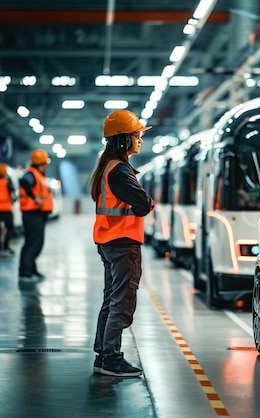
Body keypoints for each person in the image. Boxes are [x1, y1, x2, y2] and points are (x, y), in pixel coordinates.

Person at [88, 110, 155, 377]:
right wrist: (146, 205)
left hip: (109, 240)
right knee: (121, 301)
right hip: (122, 241)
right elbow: (143, 203)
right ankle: (112, 359)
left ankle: (103, 354)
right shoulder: (119, 171)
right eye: (136, 135)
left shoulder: (109, 167)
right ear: (123, 140)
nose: (140, 139)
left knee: (111, 299)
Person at [18, 149, 53, 281]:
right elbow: (23, 181)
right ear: (40, 164)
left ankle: (31, 270)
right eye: (45, 163)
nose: (46, 166)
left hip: (37, 214)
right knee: (34, 244)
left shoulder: (38, 175)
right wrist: (34, 198)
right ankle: (25, 272)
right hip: (32, 214)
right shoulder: (31, 175)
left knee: (32, 242)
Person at [0, 163, 16, 255]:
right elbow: (13, 193)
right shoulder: (7, 181)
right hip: (6, 209)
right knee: (10, 228)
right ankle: (6, 245)